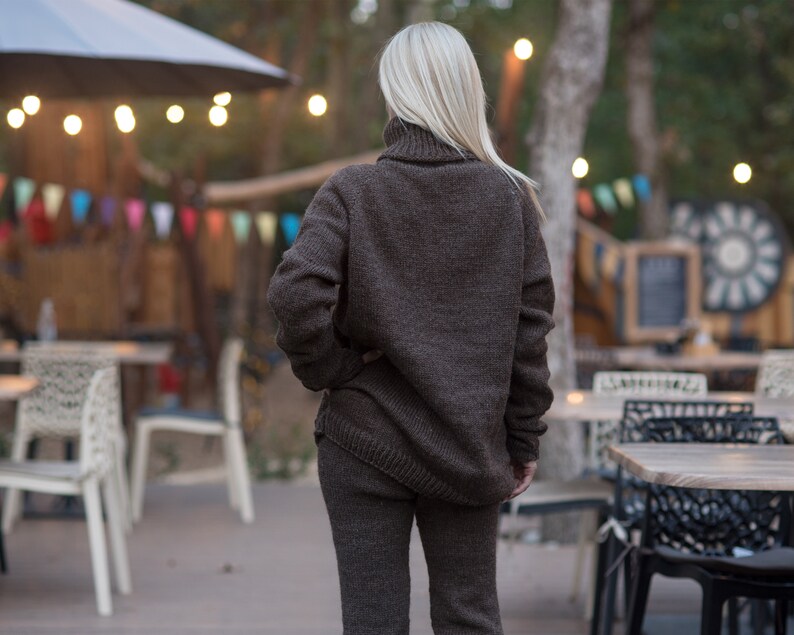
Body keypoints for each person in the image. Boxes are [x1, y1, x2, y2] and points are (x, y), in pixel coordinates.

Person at [267, 21, 554, 635]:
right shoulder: (508, 200)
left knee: (371, 625)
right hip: (467, 447)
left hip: (362, 440)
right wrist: (523, 439)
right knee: (469, 620)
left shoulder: (352, 191)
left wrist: (334, 372)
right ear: (466, 91)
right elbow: (529, 334)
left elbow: (295, 295)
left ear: (394, 94)